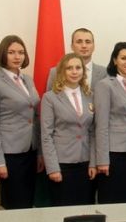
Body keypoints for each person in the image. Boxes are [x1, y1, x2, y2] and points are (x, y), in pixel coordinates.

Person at [0, 35, 42, 209]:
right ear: (3, 54)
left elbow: (34, 117)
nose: (17, 56)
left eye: (21, 52)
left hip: (30, 150)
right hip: (9, 154)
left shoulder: (27, 79)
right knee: (15, 205)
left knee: (28, 203)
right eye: (11, 52)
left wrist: (39, 153)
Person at [41, 54, 97, 206]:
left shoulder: (90, 96)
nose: (74, 71)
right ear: (61, 72)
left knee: (85, 210)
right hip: (62, 164)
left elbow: (93, 132)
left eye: (78, 68)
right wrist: (52, 168)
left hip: (85, 163)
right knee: (63, 210)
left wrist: (93, 163)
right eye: (69, 68)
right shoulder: (50, 98)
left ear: (83, 71)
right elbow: (46, 136)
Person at [94, 42, 126, 203]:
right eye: (124, 58)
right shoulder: (105, 85)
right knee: (111, 200)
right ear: (115, 60)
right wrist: (102, 160)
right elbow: (101, 125)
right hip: (112, 153)